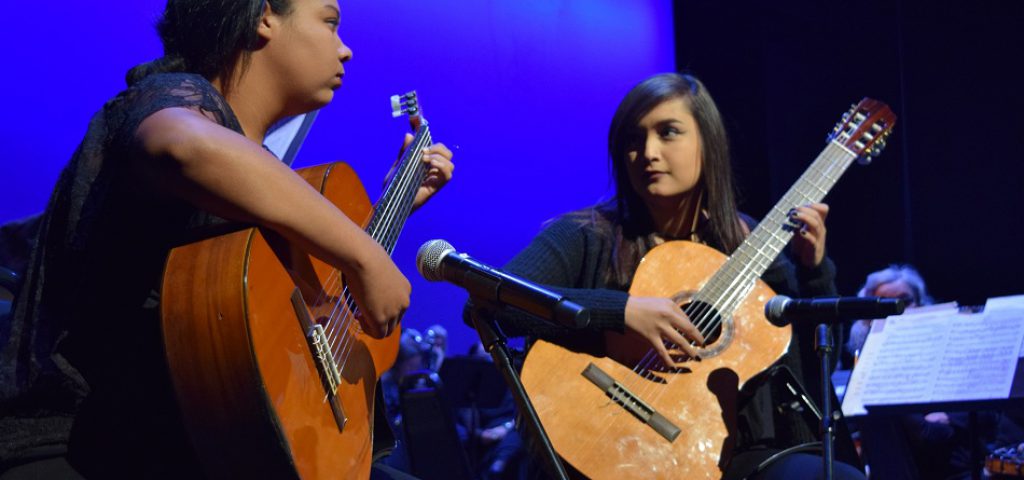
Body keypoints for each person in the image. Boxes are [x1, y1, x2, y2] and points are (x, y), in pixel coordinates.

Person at [0, 0, 453, 478]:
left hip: (193, 450)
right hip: (87, 452)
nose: (346, 51)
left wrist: (389, 212)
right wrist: (363, 255)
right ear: (263, 17)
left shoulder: (253, 182)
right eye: (330, 22)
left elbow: (270, 318)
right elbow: (182, 144)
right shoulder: (169, 95)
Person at [478, 73, 862, 479]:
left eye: (669, 133)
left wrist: (813, 270)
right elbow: (490, 300)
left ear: (707, 145)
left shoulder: (751, 243)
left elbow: (807, 373)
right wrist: (622, 311)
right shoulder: (586, 234)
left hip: (719, 453)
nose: (647, 152)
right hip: (598, 437)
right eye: (632, 140)